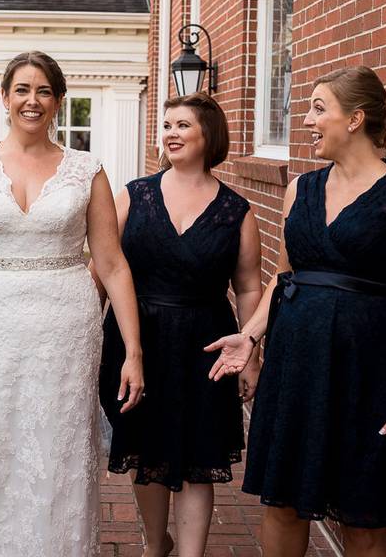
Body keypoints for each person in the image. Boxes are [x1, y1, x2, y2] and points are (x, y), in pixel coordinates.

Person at [0, 51, 144, 556]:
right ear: (4, 97)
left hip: (66, 327)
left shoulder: (88, 170)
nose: (32, 100)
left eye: (44, 91)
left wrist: (133, 350)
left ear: (59, 101)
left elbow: (112, 265)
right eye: (22, 89)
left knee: (57, 448)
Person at [226, 66, 386, 556]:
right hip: (297, 369)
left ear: (356, 119)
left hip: (368, 377)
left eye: (318, 108)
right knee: (280, 503)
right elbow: (284, 279)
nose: (306, 120)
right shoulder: (299, 190)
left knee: (362, 516)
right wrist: (252, 336)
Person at [95, 92, 263, 557]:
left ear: (209, 134)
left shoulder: (237, 212)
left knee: (198, 455)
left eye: (183, 125)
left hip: (206, 343)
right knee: (145, 449)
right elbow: (103, 270)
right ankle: (156, 545)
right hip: (137, 337)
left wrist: (252, 354)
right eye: (166, 125)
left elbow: (249, 287)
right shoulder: (133, 194)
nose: (170, 133)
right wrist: (86, 336)